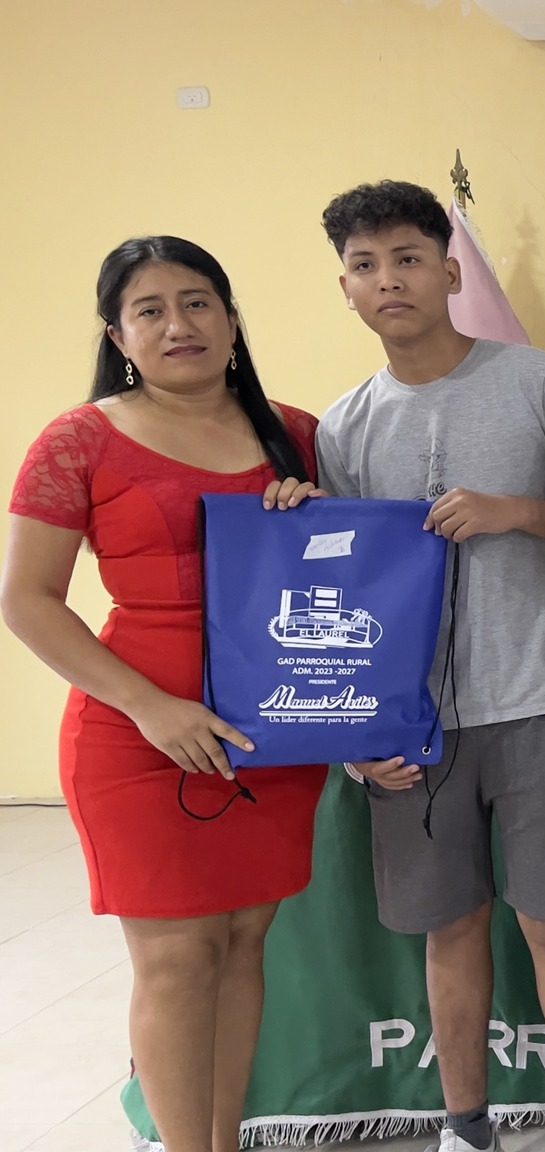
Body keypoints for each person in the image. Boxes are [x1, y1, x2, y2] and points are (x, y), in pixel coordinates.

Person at [0, 237, 326, 1152]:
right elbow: (25, 599)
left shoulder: (298, 433)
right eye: (150, 310)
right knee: (178, 961)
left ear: (230, 318)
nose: (178, 324)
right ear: (119, 335)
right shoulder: (79, 438)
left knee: (244, 944)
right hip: (138, 736)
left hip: (270, 734)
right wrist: (150, 706)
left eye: (197, 302)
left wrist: (313, 526)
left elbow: (348, 579)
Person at [313, 181, 545, 1152]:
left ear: (449, 271)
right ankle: (465, 1128)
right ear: (345, 289)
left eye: (406, 257)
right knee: (450, 928)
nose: (388, 279)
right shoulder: (342, 427)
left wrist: (516, 512)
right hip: (414, 726)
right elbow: (343, 598)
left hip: (539, 701)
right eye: (364, 265)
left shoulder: (537, 381)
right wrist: (360, 732)